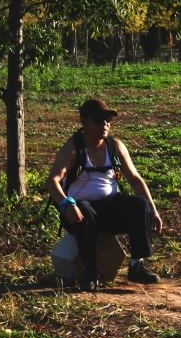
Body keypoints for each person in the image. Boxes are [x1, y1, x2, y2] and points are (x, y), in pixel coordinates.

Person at [46, 97, 163, 290]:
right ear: (84, 122)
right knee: (87, 214)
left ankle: (136, 266)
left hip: (110, 208)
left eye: (108, 120)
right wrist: (66, 205)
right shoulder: (72, 149)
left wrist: (153, 210)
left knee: (139, 205)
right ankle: (89, 272)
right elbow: (52, 181)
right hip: (79, 212)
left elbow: (135, 179)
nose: (105, 125)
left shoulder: (116, 147)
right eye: (99, 120)